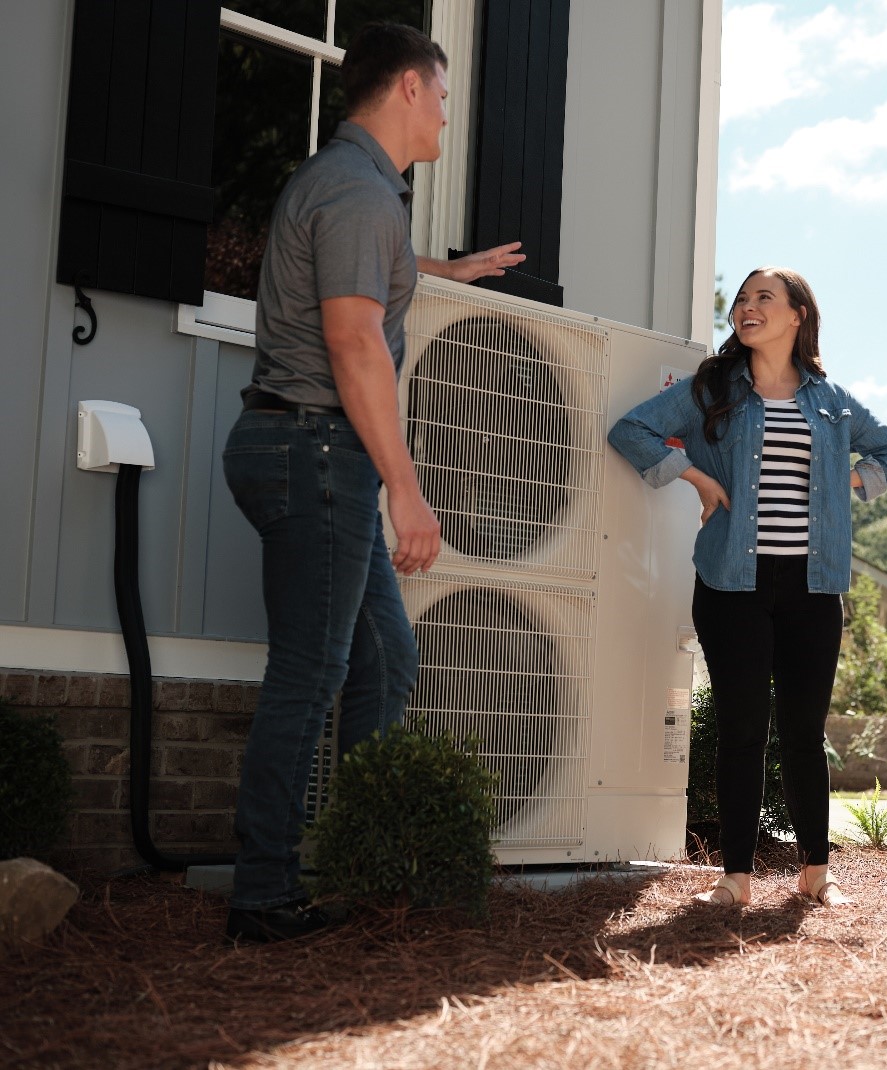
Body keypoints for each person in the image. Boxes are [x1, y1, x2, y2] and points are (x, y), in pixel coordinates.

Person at [222, 22, 525, 943]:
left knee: (385, 658)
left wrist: (441, 270)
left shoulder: (352, 188)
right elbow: (354, 340)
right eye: (441, 95)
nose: (445, 115)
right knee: (310, 675)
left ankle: (363, 867)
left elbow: (358, 271)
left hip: (301, 447)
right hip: (315, 451)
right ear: (407, 88)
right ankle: (262, 896)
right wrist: (406, 486)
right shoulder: (358, 192)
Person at [609, 268, 887, 907]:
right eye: (742, 300)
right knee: (742, 729)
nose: (746, 307)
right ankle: (736, 878)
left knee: (804, 732)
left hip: (813, 587)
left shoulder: (831, 402)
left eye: (762, 298)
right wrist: (695, 476)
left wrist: (845, 481)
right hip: (731, 584)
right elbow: (631, 431)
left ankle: (816, 875)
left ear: (798, 314)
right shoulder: (713, 390)